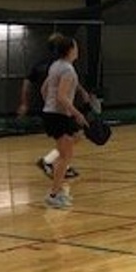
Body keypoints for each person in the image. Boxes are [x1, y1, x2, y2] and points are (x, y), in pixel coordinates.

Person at [18, 32, 94, 180]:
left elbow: (39, 86)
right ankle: (54, 170)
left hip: (53, 107)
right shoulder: (59, 65)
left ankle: (53, 163)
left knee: (73, 138)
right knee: (72, 139)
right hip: (58, 108)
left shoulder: (54, 64)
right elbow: (37, 84)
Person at [39, 34, 90, 209]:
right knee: (66, 156)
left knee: (68, 149)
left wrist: (49, 105)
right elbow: (61, 96)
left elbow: (44, 89)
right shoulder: (67, 70)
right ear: (70, 50)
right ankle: (53, 195)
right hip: (59, 115)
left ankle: (58, 191)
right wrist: (77, 113)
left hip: (54, 114)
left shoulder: (56, 66)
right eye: (75, 47)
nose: (78, 50)